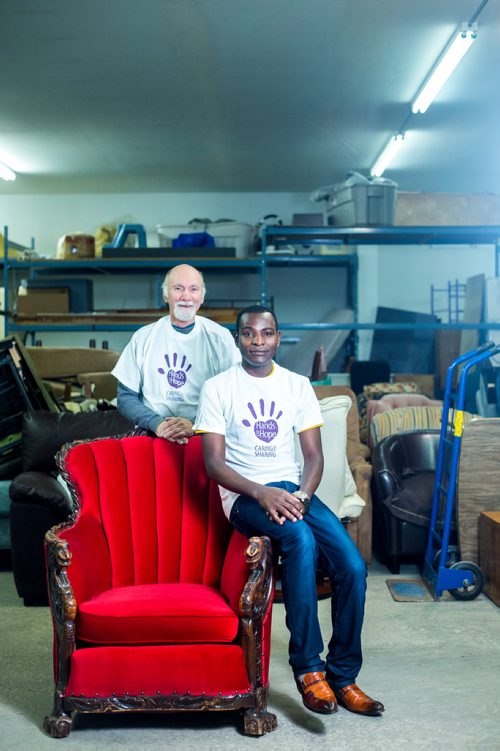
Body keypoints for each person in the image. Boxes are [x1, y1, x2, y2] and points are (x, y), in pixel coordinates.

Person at [194, 304, 384, 717]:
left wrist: (300, 496)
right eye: (248, 334)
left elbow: (314, 459)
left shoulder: (298, 386)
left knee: (351, 566)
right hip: (244, 496)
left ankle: (344, 675)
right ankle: (308, 668)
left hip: (294, 491)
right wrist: (262, 494)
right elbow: (214, 465)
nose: (257, 342)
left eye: (266, 334)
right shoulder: (218, 388)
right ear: (237, 338)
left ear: (278, 338)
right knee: (298, 539)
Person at [112, 263, 240, 444]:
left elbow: (234, 397)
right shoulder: (143, 337)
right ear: (166, 294)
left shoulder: (221, 338)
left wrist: (196, 425)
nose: (186, 296)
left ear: (202, 297)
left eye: (193, 289)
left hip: (204, 434)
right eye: (178, 288)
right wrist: (156, 424)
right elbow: (125, 398)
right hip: (151, 433)